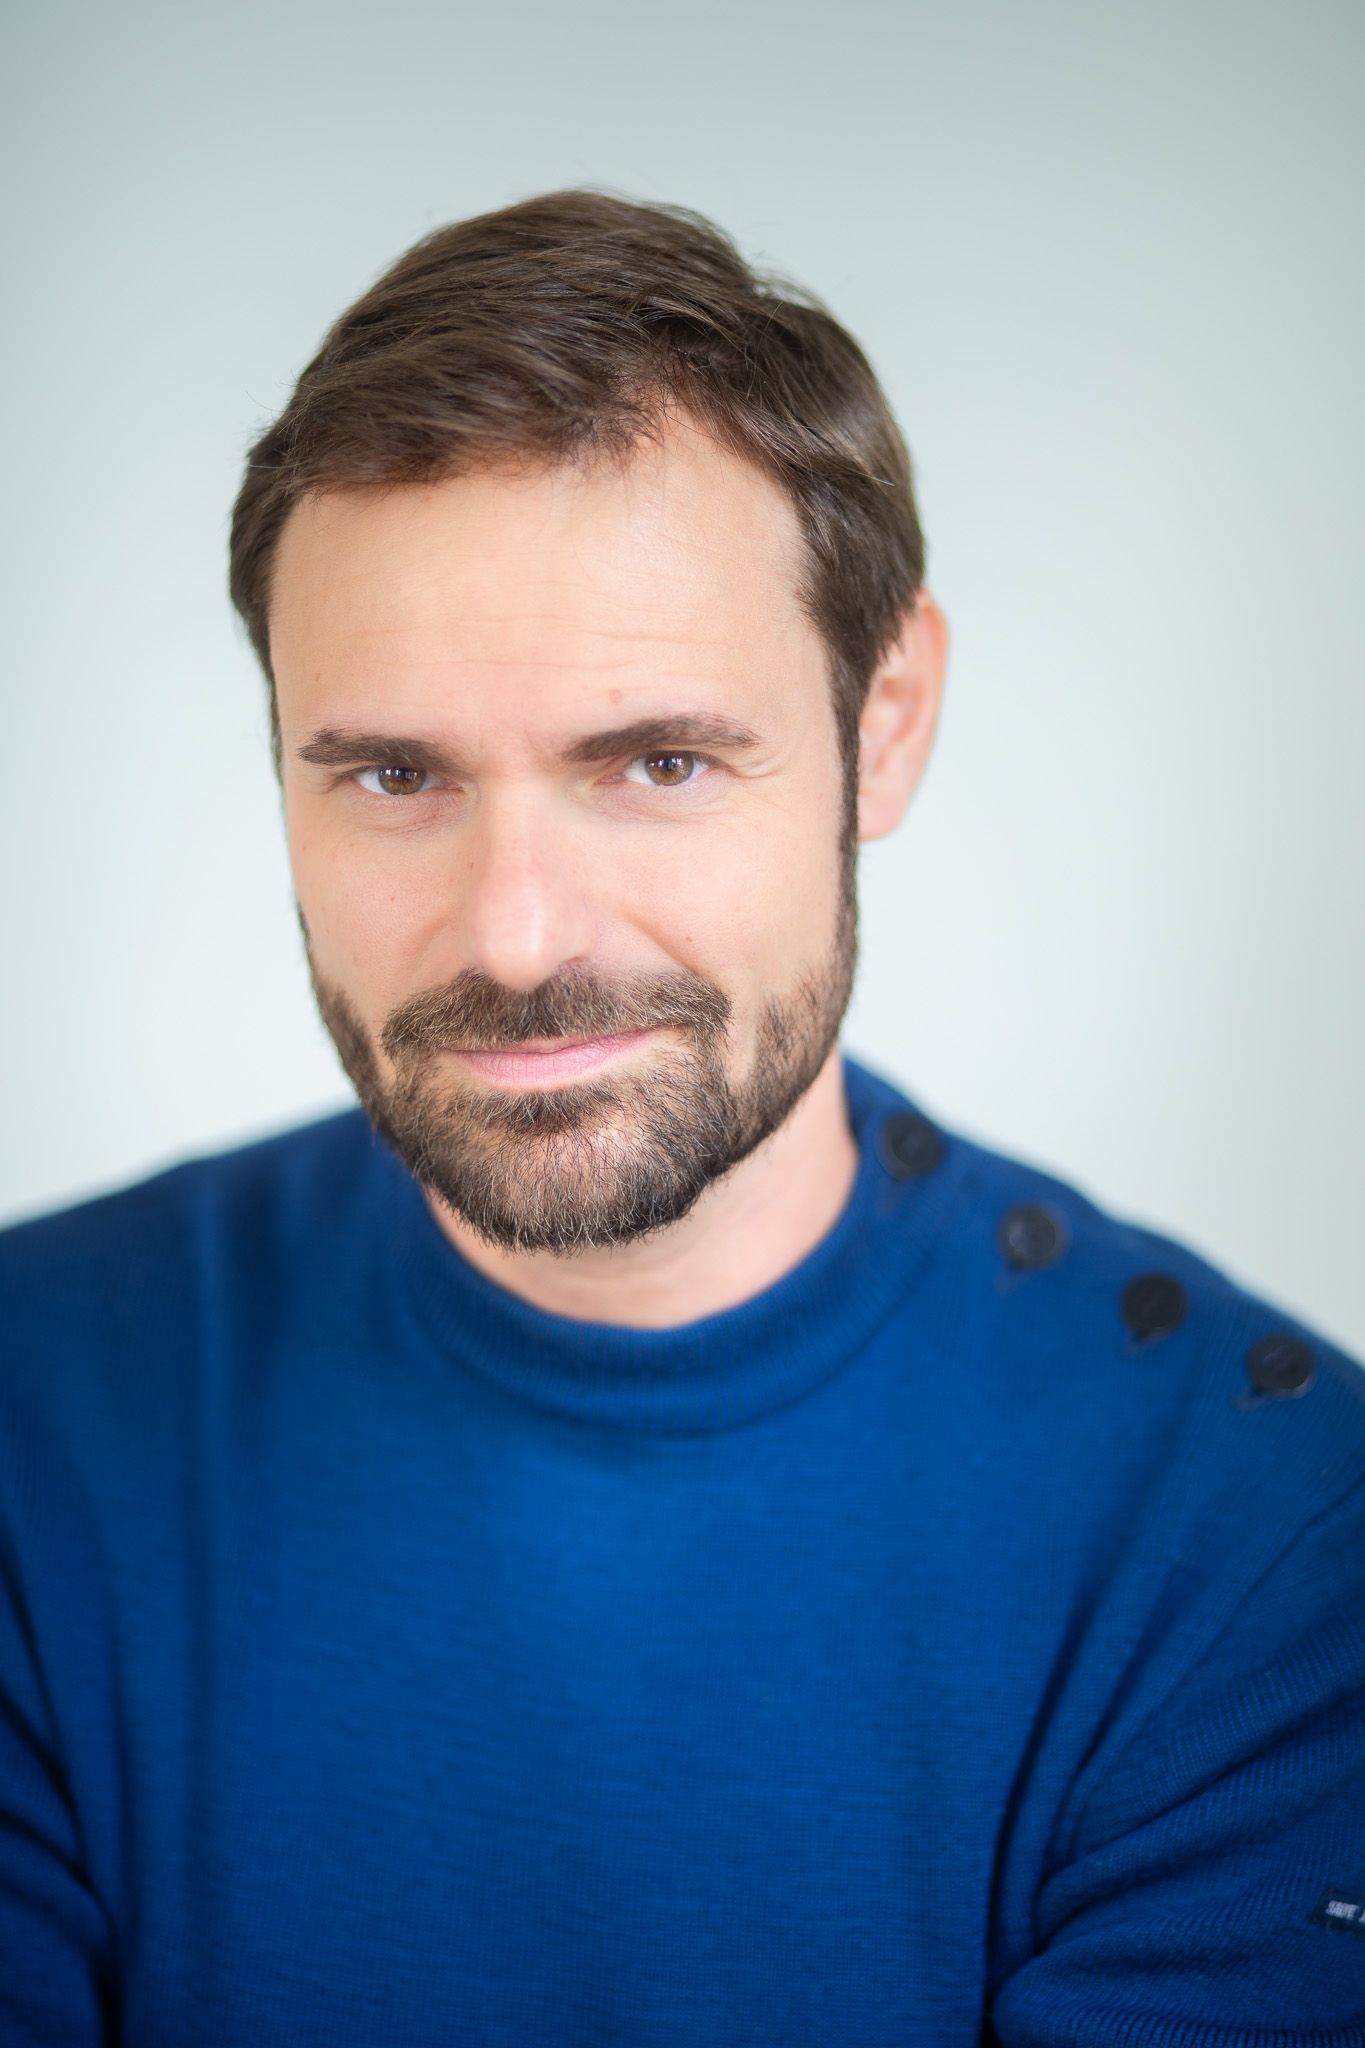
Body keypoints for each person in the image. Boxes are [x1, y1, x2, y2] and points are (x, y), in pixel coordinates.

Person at [1, 189, 1361, 2048]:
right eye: (392, 775)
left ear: (884, 722)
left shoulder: (1271, 1549)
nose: (517, 937)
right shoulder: (30, 1414)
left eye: (657, 762)